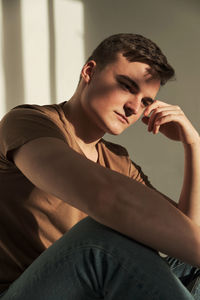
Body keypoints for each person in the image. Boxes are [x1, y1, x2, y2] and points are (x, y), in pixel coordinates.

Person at [0, 33, 200, 300]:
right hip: (23, 292)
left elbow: (183, 233)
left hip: (88, 292)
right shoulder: (29, 122)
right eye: (127, 86)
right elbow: (104, 197)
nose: (133, 108)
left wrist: (193, 146)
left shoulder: (118, 161)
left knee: (190, 261)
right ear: (89, 71)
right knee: (102, 239)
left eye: (145, 102)